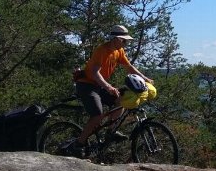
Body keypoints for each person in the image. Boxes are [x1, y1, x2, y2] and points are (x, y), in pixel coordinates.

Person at [59, 24, 152, 158]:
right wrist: (108, 87)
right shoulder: (102, 50)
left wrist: (145, 78)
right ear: (115, 39)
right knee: (97, 114)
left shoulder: (118, 51)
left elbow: (128, 66)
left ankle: (110, 132)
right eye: (123, 40)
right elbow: (95, 72)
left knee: (122, 99)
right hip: (87, 85)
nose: (125, 43)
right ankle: (78, 144)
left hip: (99, 85)